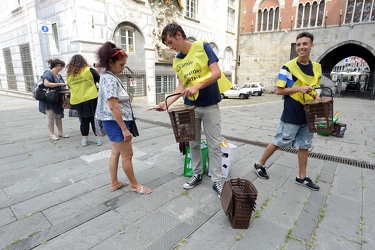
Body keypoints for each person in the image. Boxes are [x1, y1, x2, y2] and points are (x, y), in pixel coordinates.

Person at [154, 23, 227, 198]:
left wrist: (197, 86)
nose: (170, 47)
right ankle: (197, 174)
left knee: (214, 144)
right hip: (190, 107)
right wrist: (166, 103)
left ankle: (217, 180)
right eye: (167, 45)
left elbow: (216, 73)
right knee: (193, 143)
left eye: (171, 42)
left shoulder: (203, 46)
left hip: (210, 105)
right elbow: (180, 87)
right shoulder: (177, 60)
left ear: (179, 35)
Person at [254, 31, 322, 191]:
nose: (301, 47)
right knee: (279, 141)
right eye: (298, 45)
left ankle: (302, 177)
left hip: (310, 114)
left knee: (305, 146)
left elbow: (317, 88)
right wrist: (299, 88)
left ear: (312, 45)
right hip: (292, 113)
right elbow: (278, 90)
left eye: (305, 44)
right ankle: (259, 164)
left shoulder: (317, 67)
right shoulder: (288, 67)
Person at [95, 41, 151, 194]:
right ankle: (134, 185)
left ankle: (114, 183)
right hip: (115, 123)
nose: (123, 68)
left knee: (116, 152)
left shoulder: (107, 77)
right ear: (111, 62)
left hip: (112, 122)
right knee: (128, 155)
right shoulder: (110, 79)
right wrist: (125, 129)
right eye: (121, 64)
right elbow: (114, 106)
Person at [66, 54, 102, 146]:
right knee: (94, 119)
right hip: (91, 97)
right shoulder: (89, 70)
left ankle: (84, 140)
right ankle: (98, 139)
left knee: (84, 120)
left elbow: (70, 86)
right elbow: (100, 80)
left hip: (78, 100)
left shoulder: (70, 75)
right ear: (83, 61)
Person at [39, 58, 69, 141]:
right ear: (57, 66)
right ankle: (52, 134)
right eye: (61, 66)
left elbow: (62, 86)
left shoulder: (59, 75)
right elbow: (47, 84)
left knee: (59, 116)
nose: (62, 68)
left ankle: (61, 132)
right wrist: (60, 84)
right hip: (49, 98)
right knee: (50, 116)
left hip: (58, 98)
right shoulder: (48, 73)